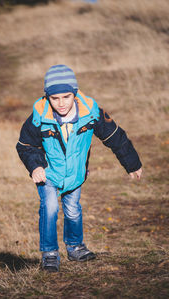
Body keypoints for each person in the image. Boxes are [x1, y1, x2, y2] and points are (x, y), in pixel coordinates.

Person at [16, 64, 142, 272]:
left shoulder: (91, 113)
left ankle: (75, 247)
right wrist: (36, 166)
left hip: (75, 174)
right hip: (49, 173)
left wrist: (132, 164)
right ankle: (49, 254)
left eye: (66, 97)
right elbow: (25, 145)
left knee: (73, 211)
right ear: (47, 97)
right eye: (54, 98)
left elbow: (115, 137)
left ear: (74, 93)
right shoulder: (39, 117)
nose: (61, 103)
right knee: (50, 208)